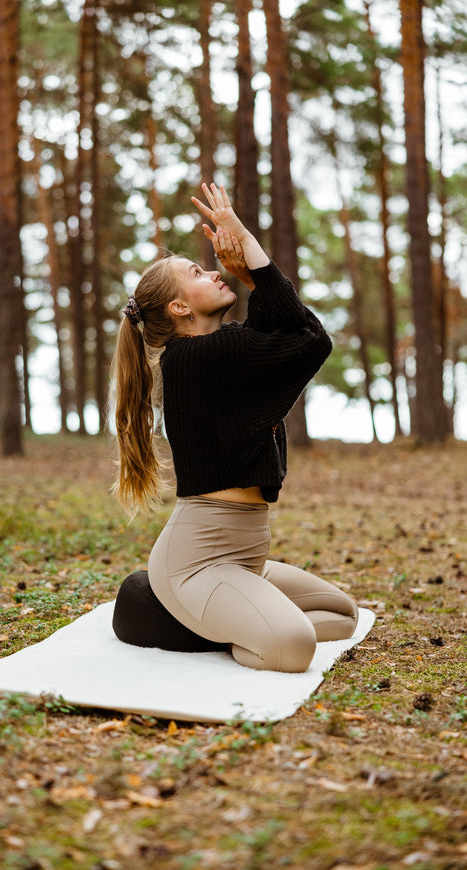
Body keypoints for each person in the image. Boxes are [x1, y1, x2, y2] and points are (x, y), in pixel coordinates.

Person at [111, 182, 358, 672]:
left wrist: (250, 276)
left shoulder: (221, 350)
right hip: (197, 562)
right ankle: (209, 622)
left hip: (246, 556)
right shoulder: (198, 357)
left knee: (342, 616)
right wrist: (247, 251)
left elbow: (281, 332)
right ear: (179, 308)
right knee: (295, 646)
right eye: (197, 273)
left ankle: (227, 617)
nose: (212, 270)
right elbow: (309, 340)